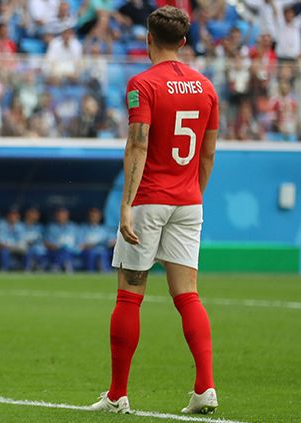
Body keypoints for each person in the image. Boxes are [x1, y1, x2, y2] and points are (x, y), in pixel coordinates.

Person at [89, 6, 220, 415]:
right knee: (188, 296)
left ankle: (117, 395)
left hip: (148, 200)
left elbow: (138, 144)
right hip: (188, 200)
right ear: (183, 42)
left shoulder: (141, 84)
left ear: (148, 38)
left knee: (130, 296)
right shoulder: (207, 87)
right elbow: (208, 152)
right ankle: (205, 388)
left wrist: (126, 205)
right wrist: (191, 195)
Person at [77, 207, 115, 272]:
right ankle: (90, 272)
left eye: (96, 215)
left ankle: (105, 272)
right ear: (88, 216)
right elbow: (80, 246)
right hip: (88, 252)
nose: (94, 217)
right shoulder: (83, 228)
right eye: (92, 215)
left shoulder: (104, 229)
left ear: (100, 216)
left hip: (103, 252)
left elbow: (113, 241)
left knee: (102, 253)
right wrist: (99, 243)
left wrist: (97, 244)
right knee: (92, 253)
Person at [0, 206, 27, 272]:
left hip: (17, 247)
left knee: (27, 251)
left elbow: (22, 240)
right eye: (11, 215)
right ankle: (4, 270)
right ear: (8, 215)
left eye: (15, 215)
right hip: (5, 247)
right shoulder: (1, 224)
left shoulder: (20, 226)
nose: (13, 217)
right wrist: (9, 244)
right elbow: (0, 241)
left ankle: (26, 269)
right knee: (4, 251)